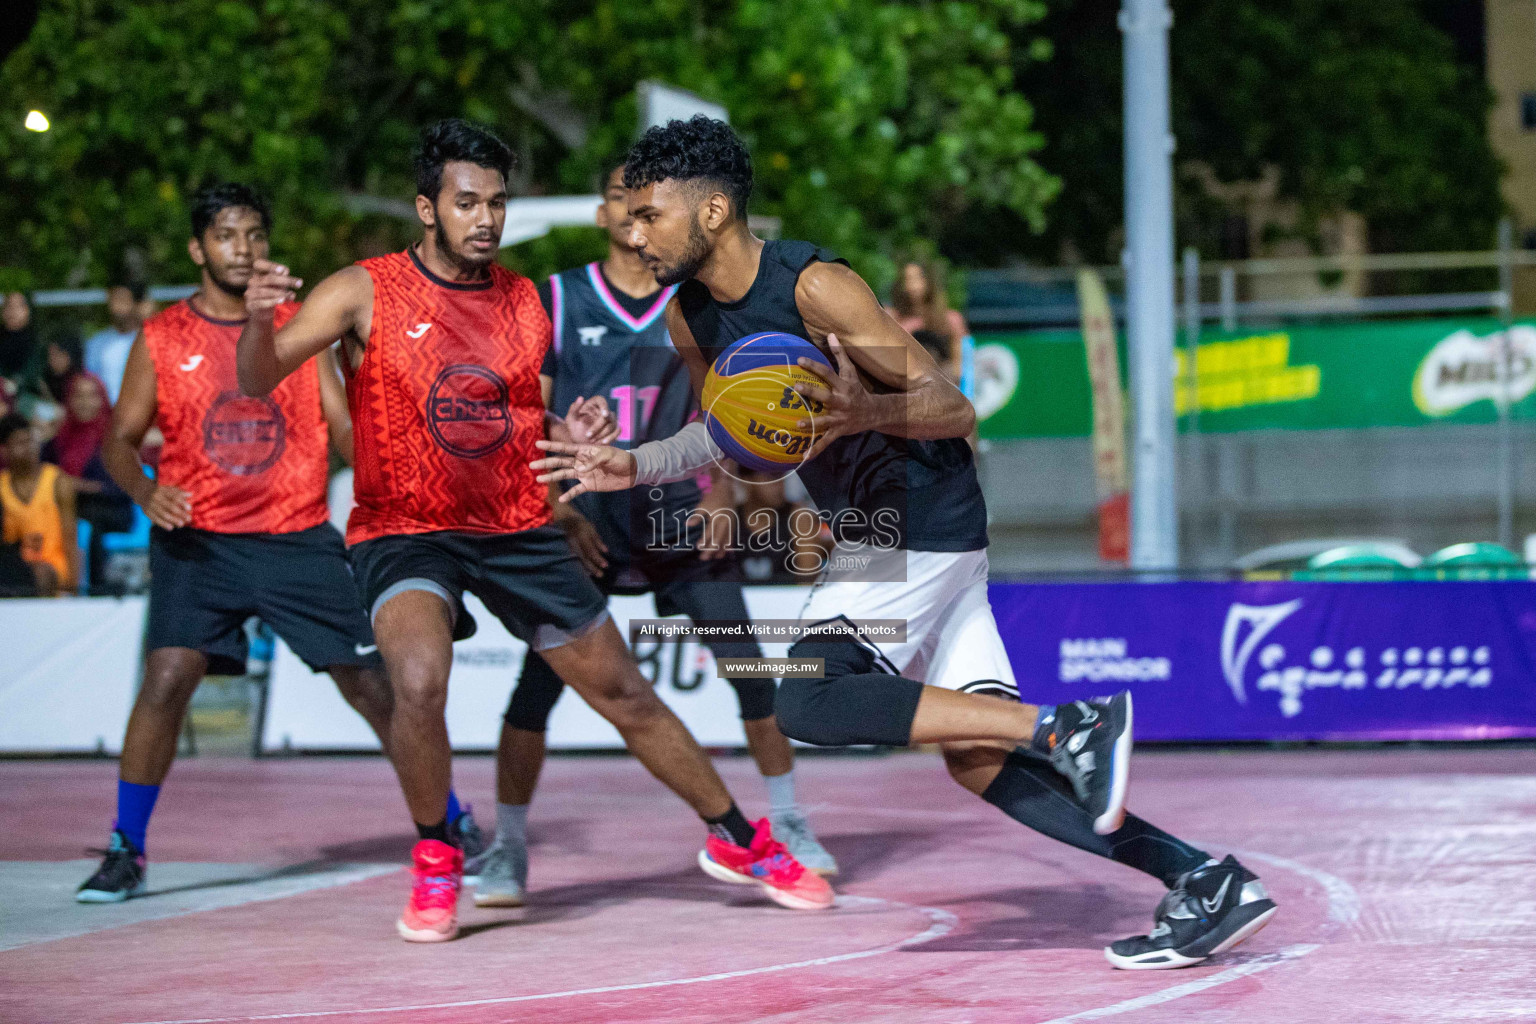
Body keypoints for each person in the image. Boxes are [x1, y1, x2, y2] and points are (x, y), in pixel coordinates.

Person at [534, 116, 1278, 971]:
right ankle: (1205, 881)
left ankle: (1067, 724)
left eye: (648, 214)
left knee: (809, 699)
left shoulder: (818, 288)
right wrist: (635, 463)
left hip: (920, 512)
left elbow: (953, 407)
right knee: (976, 758)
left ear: (711, 212)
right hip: (894, 531)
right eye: (628, 216)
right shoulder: (688, 319)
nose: (632, 232)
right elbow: (727, 435)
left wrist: (867, 412)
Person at [238, 119, 832, 943]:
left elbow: (507, 412)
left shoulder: (524, 301)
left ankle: (740, 838)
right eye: (468, 202)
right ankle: (440, 856)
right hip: (405, 529)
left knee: (626, 693)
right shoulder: (363, 289)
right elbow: (261, 376)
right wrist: (257, 323)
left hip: (514, 527)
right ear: (427, 207)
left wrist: (571, 425)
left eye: (498, 203)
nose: (486, 219)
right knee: (418, 681)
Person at [468, 164, 836, 907]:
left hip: (682, 514)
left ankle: (789, 821)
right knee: (535, 689)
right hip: (587, 519)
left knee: (751, 671)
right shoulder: (559, 299)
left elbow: (730, 404)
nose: (630, 215)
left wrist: (728, 488)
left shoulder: (695, 297)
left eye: (643, 203)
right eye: (616, 200)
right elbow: (524, 416)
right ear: (603, 214)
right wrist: (555, 510)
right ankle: (508, 845)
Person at [74, 183, 453, 903]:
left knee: (374, 688)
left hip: (295, 535)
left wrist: (388, 471)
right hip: (199, 541)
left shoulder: (299, 328)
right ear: (198, 249)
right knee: (166, 679)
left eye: (254, 235)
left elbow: (343, 427)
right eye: (226, 235)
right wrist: (146, 490)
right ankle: (127, 847)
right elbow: (118, 440)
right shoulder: (161, 338)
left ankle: (448, 820)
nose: (243, 249)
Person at [42, 372, 133, 588]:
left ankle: (92, 589)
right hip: (66, 510)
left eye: (92, 396)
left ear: (102, 400)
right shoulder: (57, 442)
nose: (85, 403)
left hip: (109, 510)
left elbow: (120, 489)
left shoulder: (116, 441)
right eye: (78, 396)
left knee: (89, 524)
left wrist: (76, 486)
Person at [1, 411, 78, 596]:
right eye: (20, 443)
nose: (29, 448)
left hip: (54, 567)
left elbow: (70, 538)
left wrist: (73, 586)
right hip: (16, 568)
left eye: (32, 441)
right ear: (4, 450)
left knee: (39, 574)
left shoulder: (58, 481)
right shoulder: (2, 486)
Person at [889, 259, 974, 401]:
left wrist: (964, 396)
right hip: (911, 394)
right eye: (907, 279)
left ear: (929, 281)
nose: (912, 285)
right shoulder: (896, 320)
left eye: (917, 278)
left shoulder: (950, 320)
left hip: (945, 393)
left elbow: (963, 364)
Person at [85, 281, 147, 404]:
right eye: (113, 300)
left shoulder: (149, 340)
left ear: (136, 304)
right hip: (107, 415)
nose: (116, 307)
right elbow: (90, 381)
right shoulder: (97, 342)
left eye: (122, 300)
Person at [0, 291, 37, 385]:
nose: (12, 311)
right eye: (8, 306)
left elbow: (32, 376)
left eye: (17, 306)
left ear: (27, 311)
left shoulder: (36, 342)